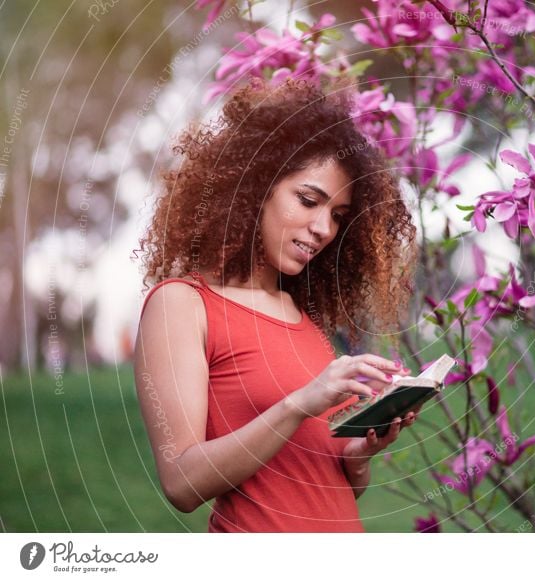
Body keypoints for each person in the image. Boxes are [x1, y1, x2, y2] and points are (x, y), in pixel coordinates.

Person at [133, 78, 419, 532]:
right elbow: (182, 484)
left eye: (338, 216)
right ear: (254, 188)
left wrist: (359, 456)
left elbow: (317, 483)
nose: (324, 228)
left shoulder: (300, 316)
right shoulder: (182, 305)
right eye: (308, 201)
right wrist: (299, 403)